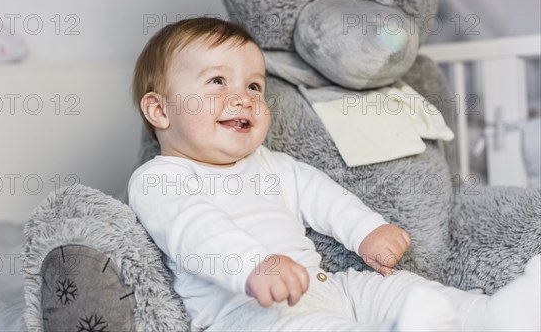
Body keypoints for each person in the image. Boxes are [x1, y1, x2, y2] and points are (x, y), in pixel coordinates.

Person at [128, 17, 540, 332]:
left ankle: (488, 317)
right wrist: (253, 265)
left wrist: (367, 231)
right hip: (249, 315)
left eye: (255, 86)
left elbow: (325, 197)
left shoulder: (273, 164)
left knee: (399, 289)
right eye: (217, 81)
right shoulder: (160, 178)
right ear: (159, 110)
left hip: (326, 286)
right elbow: (195, 230)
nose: (243, 97)